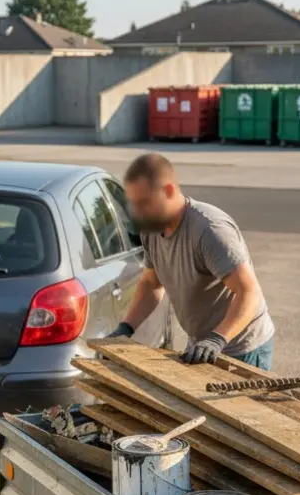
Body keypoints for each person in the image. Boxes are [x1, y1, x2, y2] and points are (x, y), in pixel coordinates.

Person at [106, 153, 275, 369]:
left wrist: (217, 339)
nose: (139, 212)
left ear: (168, 191)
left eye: (144, 203)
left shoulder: (210, 230)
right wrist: (126, 328)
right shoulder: (152, 229)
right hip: (202, 344)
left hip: (242, 347)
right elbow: (151, 284)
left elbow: (249, 292)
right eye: (135, 205)